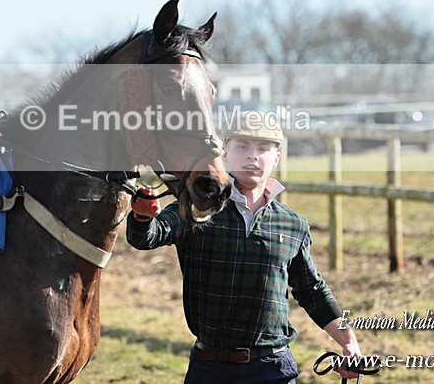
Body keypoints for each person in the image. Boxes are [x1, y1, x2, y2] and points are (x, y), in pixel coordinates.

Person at [126, 110, 363, 383]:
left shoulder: (292, 224)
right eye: (243, 147)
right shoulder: (198, 208)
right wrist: (143, 217)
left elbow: (313, 292)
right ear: (225, 153)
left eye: (263, 148)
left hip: (274, 367)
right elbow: (148, 236)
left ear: (276, 157)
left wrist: (349, 342)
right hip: (210, 367)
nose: (253, 156)